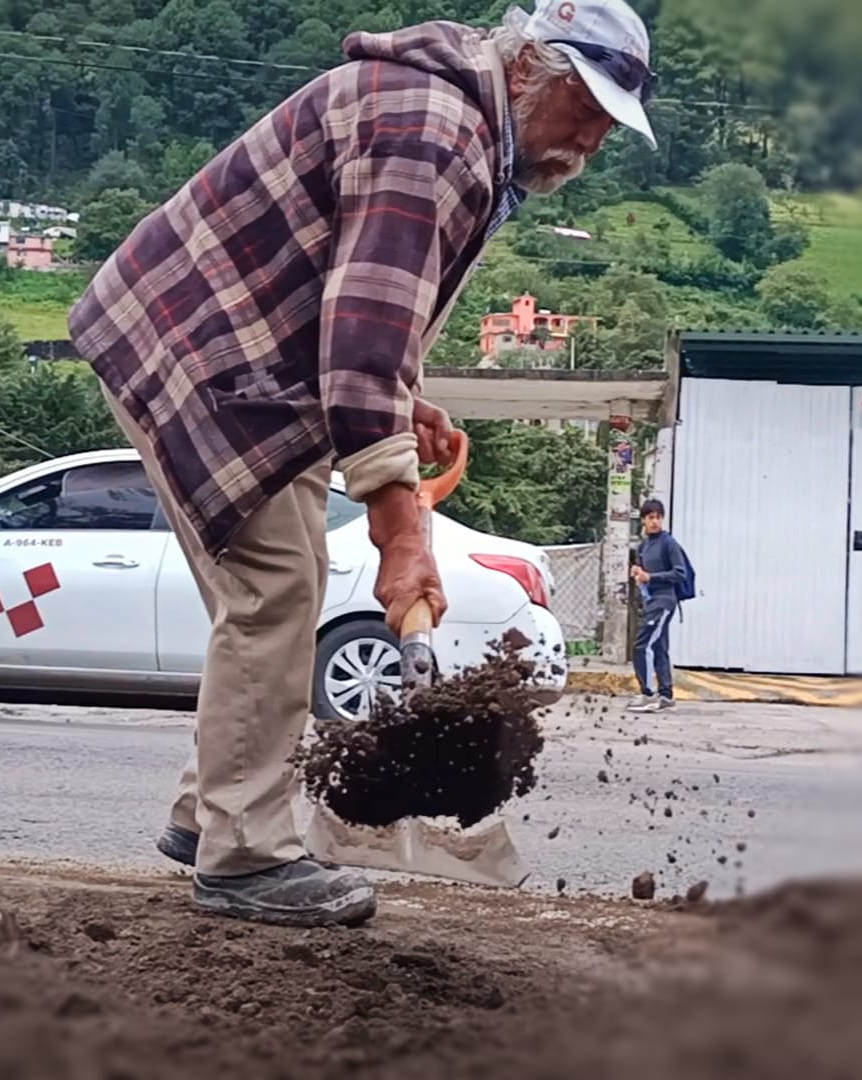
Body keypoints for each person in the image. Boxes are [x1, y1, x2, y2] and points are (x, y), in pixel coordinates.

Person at [68, 0, 657, 928]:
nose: (591, 140)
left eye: (609, 126)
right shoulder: (433, 132)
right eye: (585, 106)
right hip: (204, 356)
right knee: (273, 591)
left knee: (283, 587)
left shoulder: (454, 121)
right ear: (527, 72)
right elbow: (359, 339)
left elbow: (357, 298)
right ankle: (245, 856)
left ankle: (209, 812)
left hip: (258, 367)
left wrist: (399, 404)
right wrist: (399, 532)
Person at [629, 499, 690, 713]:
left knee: (642, 645)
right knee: (659, 647)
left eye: (658, 517)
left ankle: (648, 693)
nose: (655, 522)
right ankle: (665, 695)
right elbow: (644, 575)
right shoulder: (643, 546)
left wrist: (650, 576)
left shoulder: (668, 543)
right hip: (651, 601)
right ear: (643, 520)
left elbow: (679, 573)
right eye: (650, 518)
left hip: (665, 601)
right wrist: (638, 573)